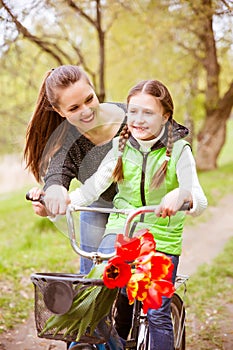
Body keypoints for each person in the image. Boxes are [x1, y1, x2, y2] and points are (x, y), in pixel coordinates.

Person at [50, 79, 207, 350]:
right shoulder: (120, 148)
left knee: (157, 311)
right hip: (121, 235)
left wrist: (181, 195)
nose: (138, 120)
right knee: (98, 295)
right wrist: (65, 200)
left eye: (148, 113)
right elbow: (92, 189)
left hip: (161, 237)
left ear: (165, 116)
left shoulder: (180, 151)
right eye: (133, 111)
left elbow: (199, 198)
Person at [24, 65, 127, 276]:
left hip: (138, 204)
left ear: (94, 90)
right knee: (89, 274)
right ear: (60, 112)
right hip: (98, 204)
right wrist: (52, 198)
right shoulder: (68, 142)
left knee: (117, 270)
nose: (86, 111)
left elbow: (172, 133)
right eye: (74, 108)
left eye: (90, 99)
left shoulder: (131, 119)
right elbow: (57, 175)